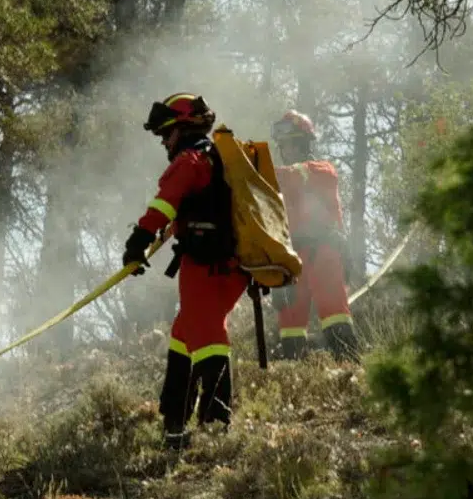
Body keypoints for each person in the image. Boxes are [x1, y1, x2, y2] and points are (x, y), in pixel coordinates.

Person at [121, 93, 251, 450]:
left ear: (181, 128)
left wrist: (137, 242)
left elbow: (164, 203)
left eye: (166, 134)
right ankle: (174, 421)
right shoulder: (218, 159)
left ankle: (215, 424)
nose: (164, 142)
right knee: (184, 332)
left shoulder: (190, 161)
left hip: (206, 264)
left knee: (208, 335)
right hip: (233, 265)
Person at [270, 110, 360, 362]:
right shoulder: (283, 180)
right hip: (292, 258)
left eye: (287, 143)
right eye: (281, 145)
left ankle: (350, 370)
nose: (284, 149)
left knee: (334, 315)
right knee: (289, 322)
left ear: (301, 142)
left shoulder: (321, 171)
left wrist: (261, 173)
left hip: (325, 253)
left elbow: (295, 175)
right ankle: (295, 377)